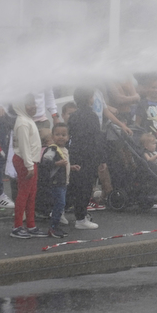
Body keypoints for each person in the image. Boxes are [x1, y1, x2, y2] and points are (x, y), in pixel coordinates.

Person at [67, 88, 106, 230]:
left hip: (75, 154)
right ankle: (81, 218)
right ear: (89, 98)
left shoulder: (73, 116)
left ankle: (59, 213)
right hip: (89, 156)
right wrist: (102, 159)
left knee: (72, 186)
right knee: (85, 188)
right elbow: (97, 138)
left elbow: (69, 135)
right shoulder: (93, 116)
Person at [10, 97, 42, 239]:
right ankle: (17, 226)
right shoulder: (23, 122)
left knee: (31, 195)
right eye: (29, 104)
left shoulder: (27, 120)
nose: (33, 106)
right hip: (25, 162)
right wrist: (29, 165)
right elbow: (24, 147)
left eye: (34, 103)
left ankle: (31, 224)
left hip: (30, 162)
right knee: (24, 194)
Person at [40, 122, 72, 238]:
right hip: (56, 182)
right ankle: (53, 227)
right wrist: (57, 163)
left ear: (68, 137)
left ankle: (56, 226)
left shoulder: (64, 149)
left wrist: (71, 167)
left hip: (63, 182)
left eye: (63, 135)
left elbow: (64, 165)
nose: (61, 137)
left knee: (60, 205)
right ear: (52, 136)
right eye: (57, 134)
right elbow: (45, 162)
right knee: (59, 204)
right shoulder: (53, 149)